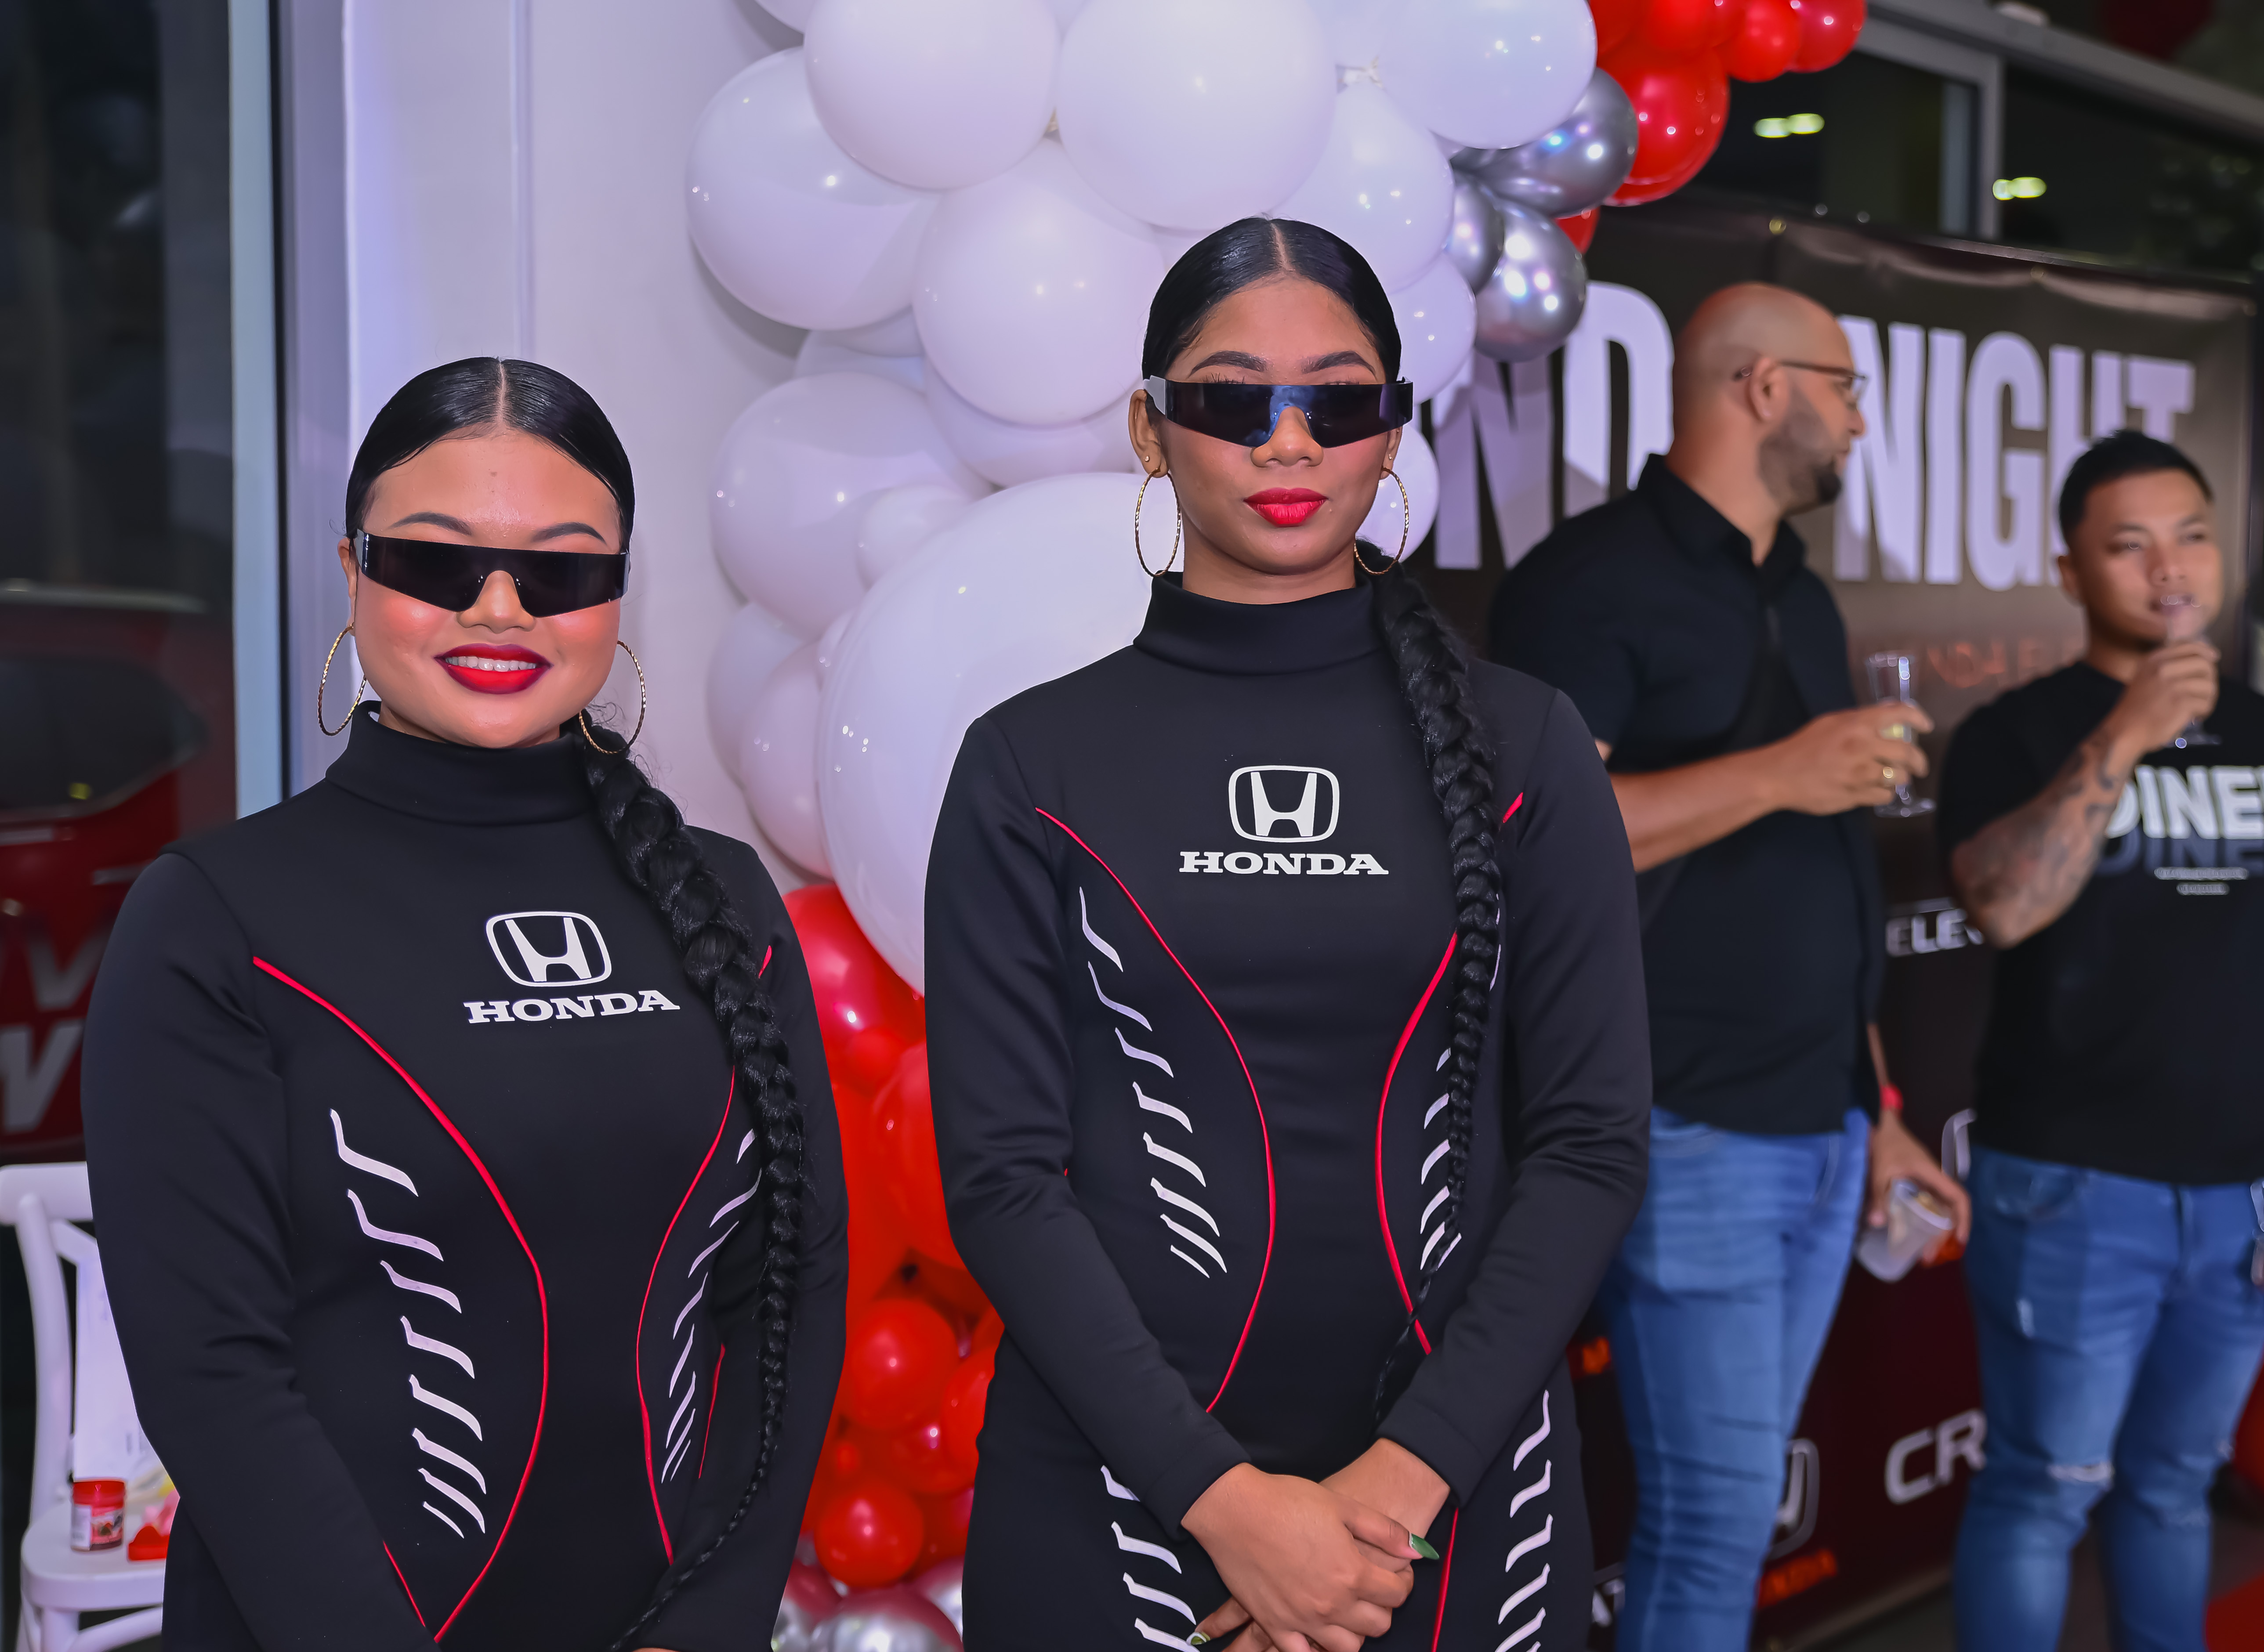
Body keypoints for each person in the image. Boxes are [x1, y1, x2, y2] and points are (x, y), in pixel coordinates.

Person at [924, 218, 1650, 1652]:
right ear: (1149, 429)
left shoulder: (1526, 743)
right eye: (1231, 399)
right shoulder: (1029, 760)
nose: (1288, 441)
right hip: (1120, 1491)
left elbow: (1588, 1145)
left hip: (1453, 1497)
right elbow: (1002, 1178)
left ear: (1392, 431)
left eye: (1337, 399)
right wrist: (1233, 1511)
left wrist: (1386, 1498)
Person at [82, 359, 845, 1651]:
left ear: (616, 594)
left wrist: (706, 1627)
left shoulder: (721, 896)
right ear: (352, 573)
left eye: (559, 570)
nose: (498, 607)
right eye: (437, 563)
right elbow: (212, 1375)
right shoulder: (215, 915)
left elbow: (790, 1294)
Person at [1489, 282, 1969, 1652]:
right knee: (1715, 1513)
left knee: (1734, 1504)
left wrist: (1879, 1115)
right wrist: (1781, 771)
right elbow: (1534, 837)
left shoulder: (1795, 591)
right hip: (1685, 1116)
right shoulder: (1589, 581)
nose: (1860, 421)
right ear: (1763, 387)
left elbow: (1824, 877)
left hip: (1822, 1122)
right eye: (1846, 386)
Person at [1938, 430, 2264, 1652]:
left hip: (2240, 1200)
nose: (2169, 567)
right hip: (2069, 1186)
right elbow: (2001, 905)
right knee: (2042, 1493)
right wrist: (2125, 735)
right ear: (2071, 572)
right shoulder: (2013, 733)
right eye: (2130, 544)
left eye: (2192, 535)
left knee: (2172, 1486)